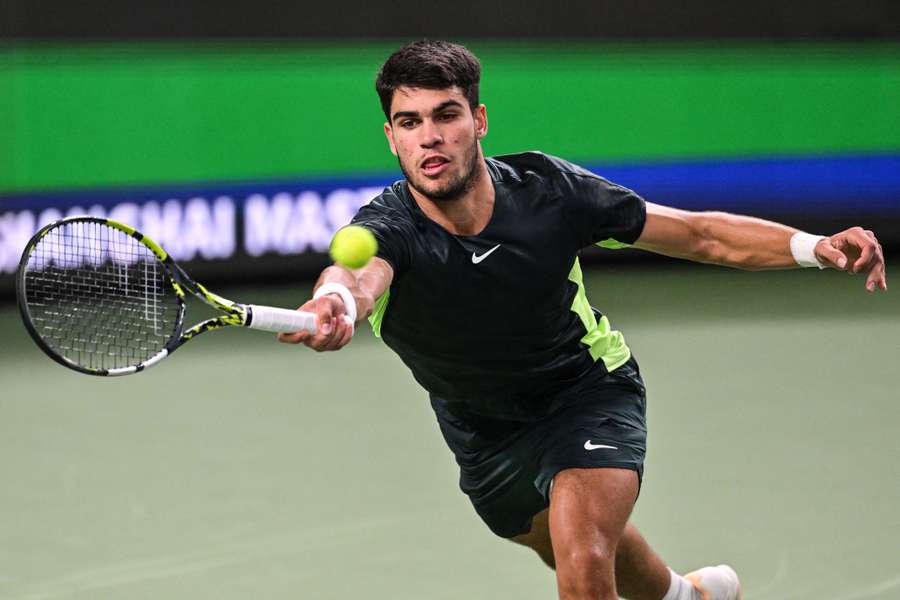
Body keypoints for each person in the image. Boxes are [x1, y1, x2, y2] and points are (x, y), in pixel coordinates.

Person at [277, 41, 887, 600]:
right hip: (483, 435)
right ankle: (686, 595)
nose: (429, 138)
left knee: (585, 561)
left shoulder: (548, 192)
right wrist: (336, 304)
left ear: (479, 121)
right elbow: (354, 277)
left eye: (446, 115)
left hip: (584, 391)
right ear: (391, 137)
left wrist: (812, 245)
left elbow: (699, 235)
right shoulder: (385, 228)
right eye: (410, 123)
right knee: (591, 552)